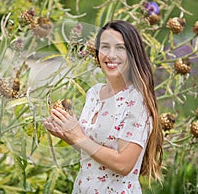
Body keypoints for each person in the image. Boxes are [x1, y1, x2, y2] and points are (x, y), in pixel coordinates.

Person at [43, 20, 163, 194]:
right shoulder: (94, 93)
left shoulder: (137, 101)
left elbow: (123, 164)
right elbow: (92, 148)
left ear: (133, 54)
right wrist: (67, 133)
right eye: (105, 47)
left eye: (120, 48)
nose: (111, 55)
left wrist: (77, 137)